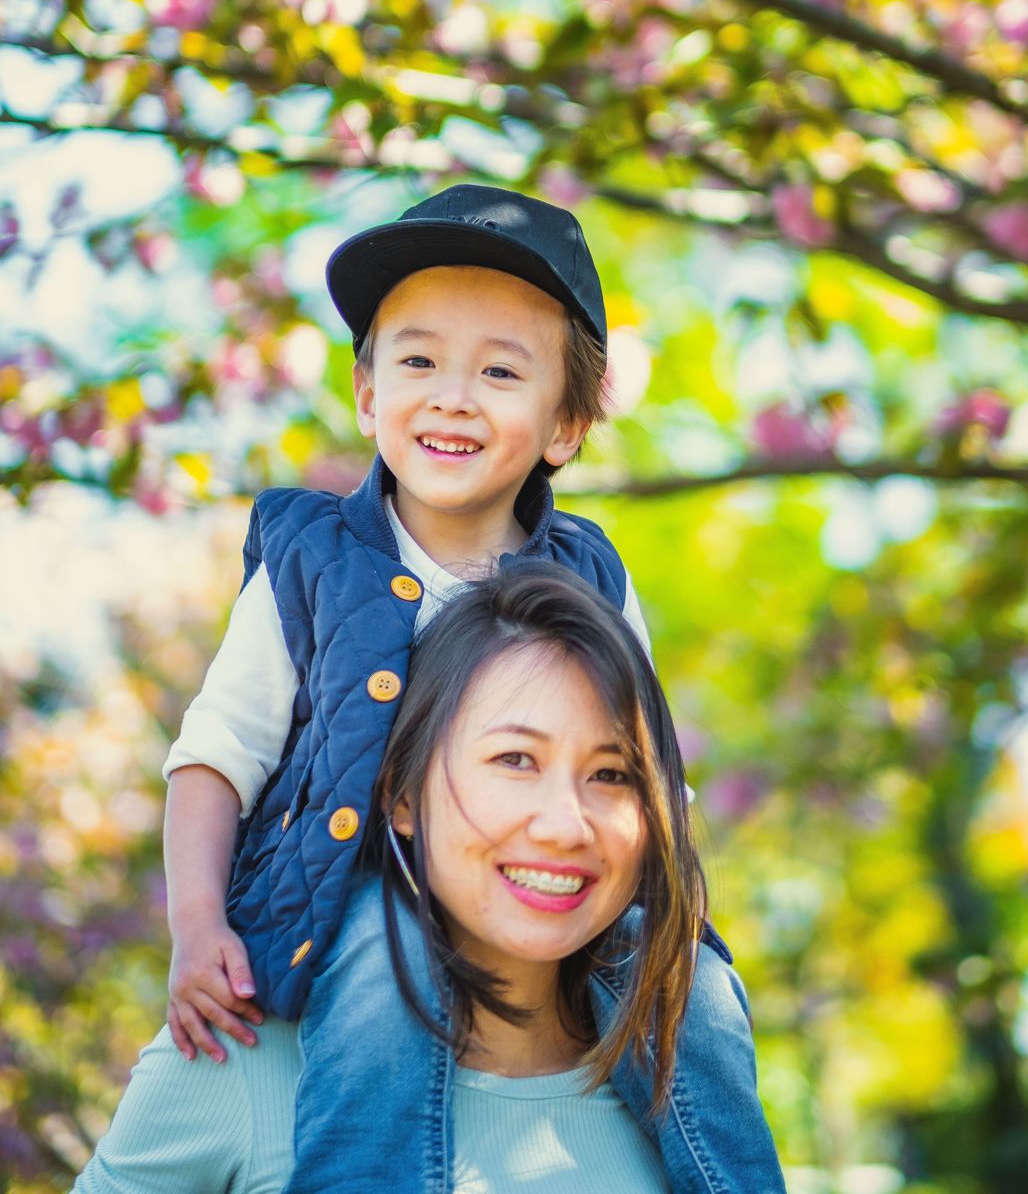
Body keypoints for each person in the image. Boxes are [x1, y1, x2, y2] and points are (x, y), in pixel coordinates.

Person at [155, 182, 786, 1190]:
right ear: (366, 395)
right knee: (377, 979)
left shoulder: (593, 577)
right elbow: (216, 755)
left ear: (565, 426)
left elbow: (649, 771)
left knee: (697, 996)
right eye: (417, 361)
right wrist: (199, 926)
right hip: (352, 893)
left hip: (552, 880)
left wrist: (671, 912)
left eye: (500, 370)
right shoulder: (309, 556)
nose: (452, 394)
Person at [76, 566, 783, 1192]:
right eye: (515, 760)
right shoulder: (236, 1062)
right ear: (402, 797)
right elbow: (219, 744)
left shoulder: (683, 1075)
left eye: (612, 774)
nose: (567, 825)